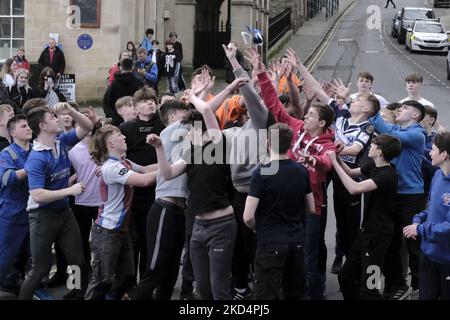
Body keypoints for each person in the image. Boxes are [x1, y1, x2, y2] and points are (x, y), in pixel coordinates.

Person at [256, 47, 337, 299]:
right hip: (285, 200)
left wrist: (311, 158)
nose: (305, 113)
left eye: (311, 114)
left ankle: (314, 292)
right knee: (284, 254)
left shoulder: (329, 144)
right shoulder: (298, 126)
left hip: (309, 207)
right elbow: (275, 105)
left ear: (321, 123)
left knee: (307, 256)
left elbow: (326, 164)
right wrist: (261, 75)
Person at [148, 93, 236, 300]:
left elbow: (205, 110)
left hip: (221, 223)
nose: (186, 136)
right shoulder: (190, 153)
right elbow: (168, 174)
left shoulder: (218, 144)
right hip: (198, 226)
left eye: (188, 131)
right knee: (203, 286)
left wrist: (192, 97)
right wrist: (159, 148)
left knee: (218, 285)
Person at [18, 103, 93, 300]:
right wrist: (69, 190)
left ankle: (76, 293)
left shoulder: (61, 141)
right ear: (42, 126)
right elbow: (37, 195)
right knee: (40, 269)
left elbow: (87, 127)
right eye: (52, 117)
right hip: (42, 216)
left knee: (77, 261)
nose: (58, 119)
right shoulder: (36, 158)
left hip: (64, 213)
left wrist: (72, 111)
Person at [85, 126, 157, 300]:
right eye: (119, 135)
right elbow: (145, 180)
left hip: (121, 231)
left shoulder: (125, 163)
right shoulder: (112, 167)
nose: (124, 136)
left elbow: (147, 170)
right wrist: (182, 165)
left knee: (124, 277)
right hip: (107, 231)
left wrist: (170, 160)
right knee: (103, 280)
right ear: (110, 143)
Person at [244, 123, 314, 300]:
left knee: (265, 295)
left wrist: (256, 227)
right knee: (294, 293)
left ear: (268, 143)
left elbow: (248, 216)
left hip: (270, 242)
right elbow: (311, 208)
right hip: (296, 241)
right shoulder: (301, 170)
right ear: (290, 144)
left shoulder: (261, 173)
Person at [328, 134, 401, 299]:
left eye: (373, 145)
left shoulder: (387, 175)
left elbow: (354, 188)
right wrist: (338, 158)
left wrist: (333, 161)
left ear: (380, 151)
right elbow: (350, 172)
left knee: (370, 288)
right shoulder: (372, 165)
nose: (370, 147)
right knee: (345, 277)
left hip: (379, 236)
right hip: (365, 233)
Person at [129, 100, 189, 300]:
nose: (188, 117)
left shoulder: (185, 145)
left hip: (180, 211)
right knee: (155, 268)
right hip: (165, 208)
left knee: (171, 270)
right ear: (172, 117)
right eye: (184, 114)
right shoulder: (168, 133)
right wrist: (199, 94)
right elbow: (202, 111)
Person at [369, 100, 427, 299]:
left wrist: (372, 111)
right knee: (391, 242)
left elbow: (389, 134)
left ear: (415, 115)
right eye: (399, 107)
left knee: (413, 244)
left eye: (405, 108)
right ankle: (397, 285)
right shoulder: (395, 129)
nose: (399, 109)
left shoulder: (416, 134)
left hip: (411, 196)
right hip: (393, 193)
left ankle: (421, 287)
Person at [120, 87, 165, 284]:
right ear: (136, 107)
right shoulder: (127, 128)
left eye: (152, 100)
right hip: (134, 192)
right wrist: (142, 170)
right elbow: (120, 158)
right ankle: (130, 283)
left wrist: (151, 169)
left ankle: (149, 281)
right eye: (145, 101)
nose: (150, 103)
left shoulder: (164, 125)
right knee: (133, 241)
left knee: (151, 240)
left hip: (158, 190)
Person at [404, 131, 450, 300]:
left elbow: (448, 226)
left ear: (444, 154)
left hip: (447, 261)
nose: (429, 152)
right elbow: (430, 208)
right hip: (428, 254)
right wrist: (418, 219)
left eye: (433, 149)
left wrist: (420, 229)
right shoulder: (437, 175)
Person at [0, 115, 32, 294]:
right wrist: (31, 168)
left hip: (33, 210)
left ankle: (18, 285)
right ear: (12, 133)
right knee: (5, 255)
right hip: (11, 212)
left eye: (28, 126)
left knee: (31, 255)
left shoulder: (36, 150)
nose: (28, 129)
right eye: (23, 126)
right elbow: (6, 179)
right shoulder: (6, 154)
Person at [107, 58, 144, 126]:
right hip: (135, 115)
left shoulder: (115, 83)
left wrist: (114, 115)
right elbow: (142, 99)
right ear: (132, 67)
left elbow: (110, 101)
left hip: (119, 115)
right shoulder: (138, 81)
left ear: (121, 67)